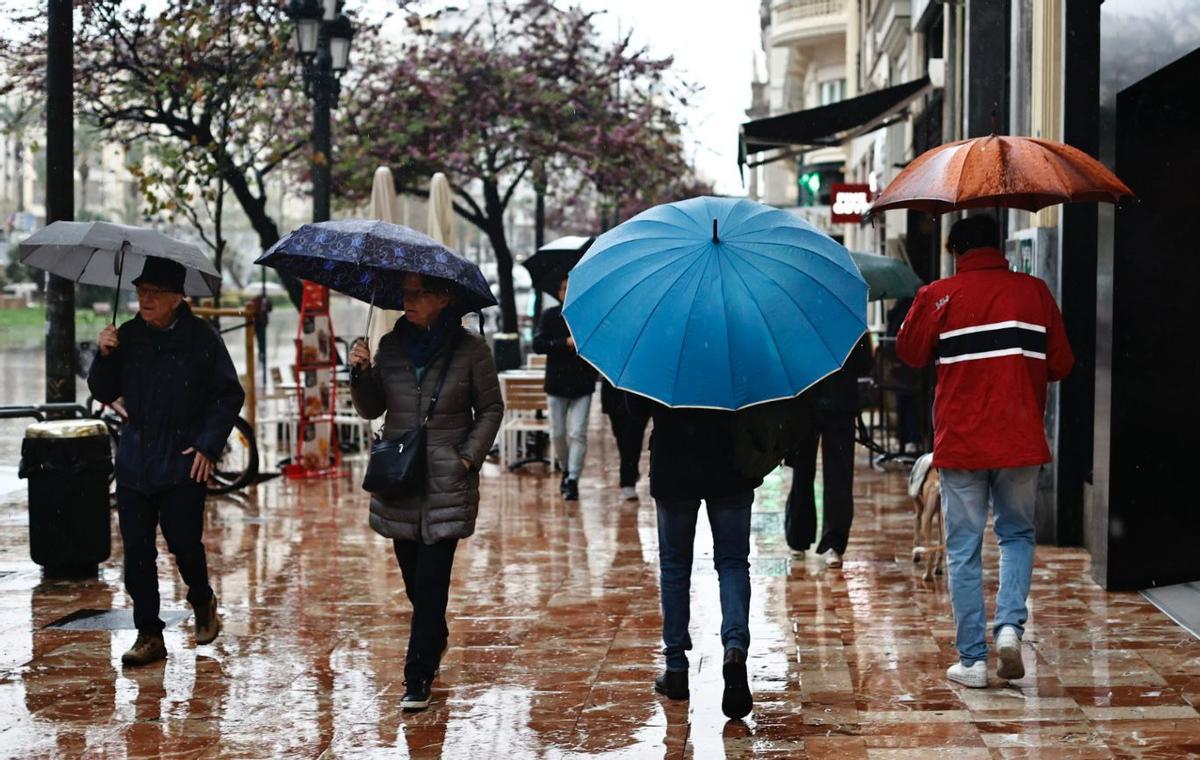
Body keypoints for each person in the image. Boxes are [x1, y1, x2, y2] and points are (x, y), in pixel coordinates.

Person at [896, 214, 1074, 689]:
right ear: (1000, 246)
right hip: (1019, 438)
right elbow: (1061, 363)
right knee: (1016, 535)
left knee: (963, 549)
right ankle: (1011, 628)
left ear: (956, 251)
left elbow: (910, 354)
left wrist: (929, 306)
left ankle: (973, 660)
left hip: (962, 442)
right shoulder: (1034, 292)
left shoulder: (938, 296)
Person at [349, 272, 503, 711]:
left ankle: (416, 675)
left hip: (446, 479)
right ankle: (434, 633)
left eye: (419, 293)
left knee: (433, 581)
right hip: (398, 478)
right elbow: (372, 407)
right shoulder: (390, 346)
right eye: (405, 293)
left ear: (444, 298)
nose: (408, 300)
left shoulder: (471, 349)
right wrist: (359, 374)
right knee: (415, 580)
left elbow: (491, 407)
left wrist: (468, 457)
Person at [87, 257, 245, 667]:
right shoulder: (127, 336)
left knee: (183, 544)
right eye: (141, 290)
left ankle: (201, 597)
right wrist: (103, 356)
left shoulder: (203, 340)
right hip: (137, 457)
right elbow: (104, 389)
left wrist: (208, 445)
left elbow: (229, 396)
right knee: (137, 551)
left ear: (178, 297)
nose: (145, 298)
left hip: (183, 458)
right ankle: (149, 633)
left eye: (155, 292)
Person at [627, 395, 761, 720]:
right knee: (732, 563)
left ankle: (675, 668)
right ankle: (735, 646)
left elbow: (634, 408)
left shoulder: (658, 346)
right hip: (731, 464)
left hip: (674, 466)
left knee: (675, 569)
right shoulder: (739, 344)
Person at [784, 334, 873, 567]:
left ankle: (799, 538)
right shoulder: (850, 320)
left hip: (808, 401)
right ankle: (832, 542)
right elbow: (865, 364)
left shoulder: (798, 317)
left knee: (804, 472)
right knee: (837, 476)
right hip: (834, 403)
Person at [532, 276, 597, 501]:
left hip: (582, 384)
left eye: (571, 287)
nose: (566, 291)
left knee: (577, 433)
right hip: (557, 385)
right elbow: (538, 344)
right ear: (558, 292)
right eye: (563, 287)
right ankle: (565, 468)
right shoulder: (550, 316)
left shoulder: (588, 316)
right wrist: (563, 343)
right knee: (557, 433)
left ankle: (572, 478)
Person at [601, 379, 650, 501]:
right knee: (622, 439)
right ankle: (630, 470)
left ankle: (627, 481)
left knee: (633, 439)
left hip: (639, 393)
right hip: (614, 395)